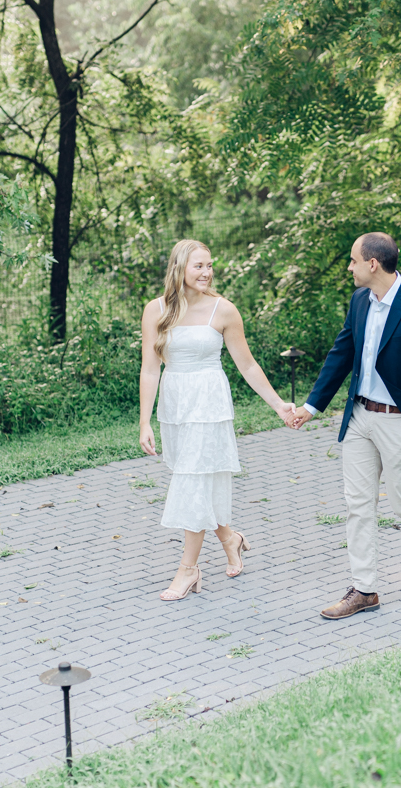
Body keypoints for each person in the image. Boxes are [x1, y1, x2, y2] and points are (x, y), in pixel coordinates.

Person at [289, 232, 401, 619]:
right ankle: (364, 589)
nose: (348, 268)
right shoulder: (359, 301)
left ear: (372, 264)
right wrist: (311, 406)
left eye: (352, 261)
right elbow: (342, 353)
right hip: (360, 418)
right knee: (358, 504)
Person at [140, 239, 294, 601]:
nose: (207, 272)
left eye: (210, 266)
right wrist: (144, 421)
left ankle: (188, 571)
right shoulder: (156, 310)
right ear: (179, 268)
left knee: (193, 483)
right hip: (175, 406)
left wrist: (277, 405)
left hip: (209, 405)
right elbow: (150, 369)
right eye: (199, 266)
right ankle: (230, 538)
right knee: (196, 478)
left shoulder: (223, 311)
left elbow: (247, 364)